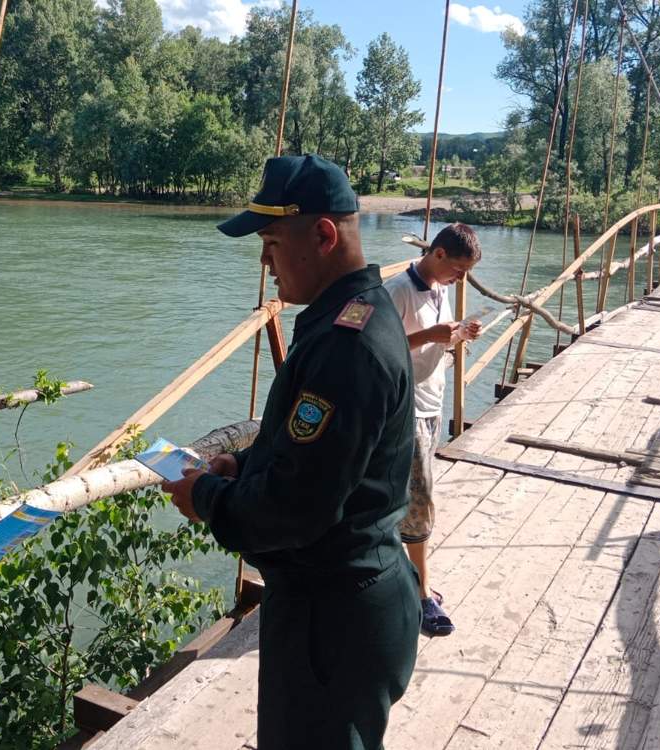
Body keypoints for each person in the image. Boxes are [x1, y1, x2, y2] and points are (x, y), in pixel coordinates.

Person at [162, 154, 421, 750]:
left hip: (331, 621)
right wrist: (242, 466)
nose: (263, 260)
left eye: (272, 241)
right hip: (348, 601)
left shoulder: (346, 347)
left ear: (323, 236)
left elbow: (295, 507)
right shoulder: (357, 315)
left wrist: (204, 495)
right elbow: (318, 455)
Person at [382, 223, 482, 638]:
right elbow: (380, 345)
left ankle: (403, 577)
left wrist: (456, 334)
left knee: (412, 495)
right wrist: (434, 335)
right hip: (408, 409)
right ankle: (422, 594)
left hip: (432, 404)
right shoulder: (398, 291)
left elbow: (426, 344)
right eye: (457, 270)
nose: (460, 279)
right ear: (438, 255)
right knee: (421, 499)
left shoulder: (438, 287)